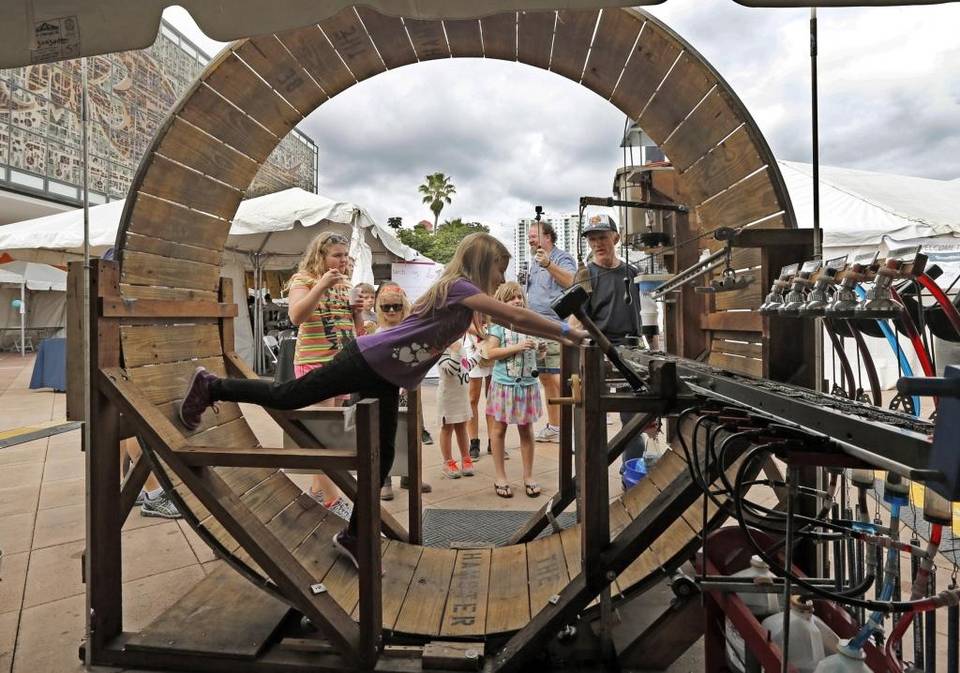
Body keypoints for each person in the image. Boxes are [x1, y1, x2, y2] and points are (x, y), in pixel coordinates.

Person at [179, 233, 587, 567]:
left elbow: (500, 319)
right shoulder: (459, 287)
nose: (501, 277)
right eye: (499, 268)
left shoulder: (462, 297)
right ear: (483, 263)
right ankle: (212, 386)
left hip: (384, 375)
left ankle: (355, 534)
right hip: (367, 360)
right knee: (288, 396)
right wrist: (567, 334)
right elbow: (514, 316)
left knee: (385, 455)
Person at [285, 231, 360, 521]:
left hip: (341, 365)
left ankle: (317, 492)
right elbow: (296, 316)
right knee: (319, 436)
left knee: (330, 435)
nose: (343, 261)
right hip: (315, 364)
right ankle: (332, 499)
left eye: (345, 255)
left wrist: (357, 313)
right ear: (321, 256)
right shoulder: (304, 279)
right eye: (337, 255)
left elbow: (353, 328)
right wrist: (321, 286)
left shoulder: (345, 284)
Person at [580, 214, 647, 466]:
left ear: (615, 238)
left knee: (633, 421)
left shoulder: (633, 272)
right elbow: (578, 321)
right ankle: (591, 471)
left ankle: (632, 473)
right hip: (598, 350)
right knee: (591, 418)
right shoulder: (587, 274)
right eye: (592, 238)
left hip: (630, 351)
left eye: (602, 237)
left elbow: (644, 312)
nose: (597, 243)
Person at [370, 283, 432, 500]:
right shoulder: (378, 333)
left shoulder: (411, 328)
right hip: (388, 391)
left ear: (403, 306)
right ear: (379, 309)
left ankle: (410, 476)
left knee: (413, 433)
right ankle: (385, 480)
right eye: (386, 308)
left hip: (410, 390)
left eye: (396, 306)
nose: (391, 311)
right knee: (387, 435)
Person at [483, 282, 543, 499]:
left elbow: (535, 355)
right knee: (499, 430)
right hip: (504, 386)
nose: (517, 300)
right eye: (511, 298)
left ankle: (528, 476)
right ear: (502, 303)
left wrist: (540, 350)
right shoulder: (498, 326)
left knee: (526, 430)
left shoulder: (530, 324)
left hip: (527, 385)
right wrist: (517, 347)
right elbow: (489, 353)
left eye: (519, 296)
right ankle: (500, 476)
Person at [523, 220, 575, 443]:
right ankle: (554, 427)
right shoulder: (534, 260)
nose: (530, 239)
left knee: (558, 379)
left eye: (534, 235)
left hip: (555, 327)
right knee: (545, 378)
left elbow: (572, 281)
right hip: (536, 327)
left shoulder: (562, 258)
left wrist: (548, 265)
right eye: (529, 236)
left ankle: (570, 428)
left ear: (548, 237)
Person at [436, 337, 474, 479]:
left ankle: (466, 458)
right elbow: (451, 370)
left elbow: (465, 366)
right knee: (447, 429)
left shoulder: (459, 347)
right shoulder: (442, 350)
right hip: (448, 399)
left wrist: (479, 354)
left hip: (461, 396)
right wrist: (456, 350)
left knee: (462, 428)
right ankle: (448, 462)